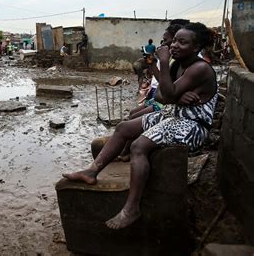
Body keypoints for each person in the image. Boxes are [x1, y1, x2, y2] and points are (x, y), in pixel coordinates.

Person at [63, 22, 217, 230]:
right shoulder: (177, 65)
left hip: (192, 126)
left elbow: (168, 94)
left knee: (138, 146)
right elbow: (162, 96)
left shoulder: (199, 67)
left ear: (196, 47)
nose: (174, 46)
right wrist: (176, 95)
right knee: (123, 128)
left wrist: (165, 73)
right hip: (174, 114)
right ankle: (92, 171)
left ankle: (132, 208)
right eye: (175, 41)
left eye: (183, 42)